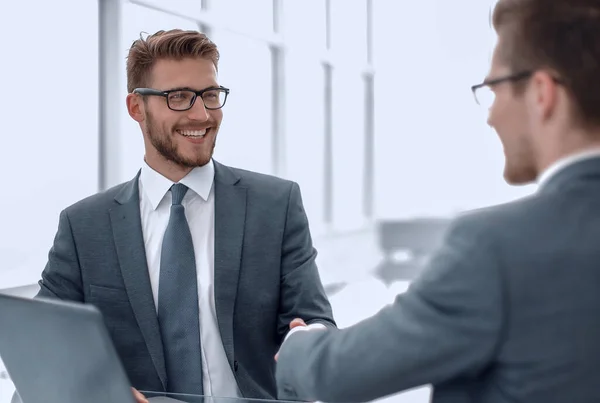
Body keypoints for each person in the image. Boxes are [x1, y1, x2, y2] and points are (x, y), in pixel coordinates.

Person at [275, 1, 600, 402]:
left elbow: (338, 373)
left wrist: (299, 346)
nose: (491, 116)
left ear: (541, 93)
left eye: (493, 89)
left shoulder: (496, 248)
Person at [34, 29, 335, 402]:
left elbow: (314, 319)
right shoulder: (84, 227)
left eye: (210, 95)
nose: (202, 114)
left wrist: (309, 338)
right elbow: (40, 350)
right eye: (178, 97)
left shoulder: (276, 204)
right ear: (136, 108)